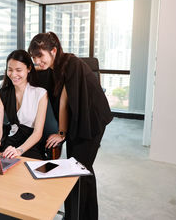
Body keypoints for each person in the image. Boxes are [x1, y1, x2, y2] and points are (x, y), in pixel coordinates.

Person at [28, 32, 113, 220]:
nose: (37, 61)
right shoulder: (56, 66)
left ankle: (76, 216)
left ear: (54, 51)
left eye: (40, 56)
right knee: (82, 169)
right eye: (34, 57)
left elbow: (65, 102)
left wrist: (61, 133)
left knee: (78, 169)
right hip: (79, 121)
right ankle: (83, 216)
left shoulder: (72, 65)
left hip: (91, 121)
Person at [0, 49, 48, 160]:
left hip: (31, 145)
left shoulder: (40, 94)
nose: (13, 74)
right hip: (11, 142)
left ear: (29, 69)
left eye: (18, 70)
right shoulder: (2, 94)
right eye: (10, 70)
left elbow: (38, 132)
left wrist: (19, 150)